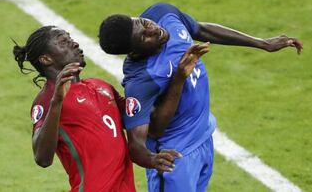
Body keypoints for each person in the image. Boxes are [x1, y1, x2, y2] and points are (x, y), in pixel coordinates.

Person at [98, 2, 303, 192]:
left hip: (203, 135)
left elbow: (200, 29)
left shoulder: (163, 14)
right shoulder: (141, 79)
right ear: (134, 52)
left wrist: (262, 43)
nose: (152, 29)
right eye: (144, 37)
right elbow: (144, 139)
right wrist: (179, 78)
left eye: (143, 23)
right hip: (177, 155)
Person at [12, 25, 208, 192]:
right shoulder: (46, 100)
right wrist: (56, 103)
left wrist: (179, 78)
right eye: (63, 42)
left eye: (71, 38)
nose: (75, 43)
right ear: (46, 59)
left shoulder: (101, 86)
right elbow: (42, 158)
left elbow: (149, 125)